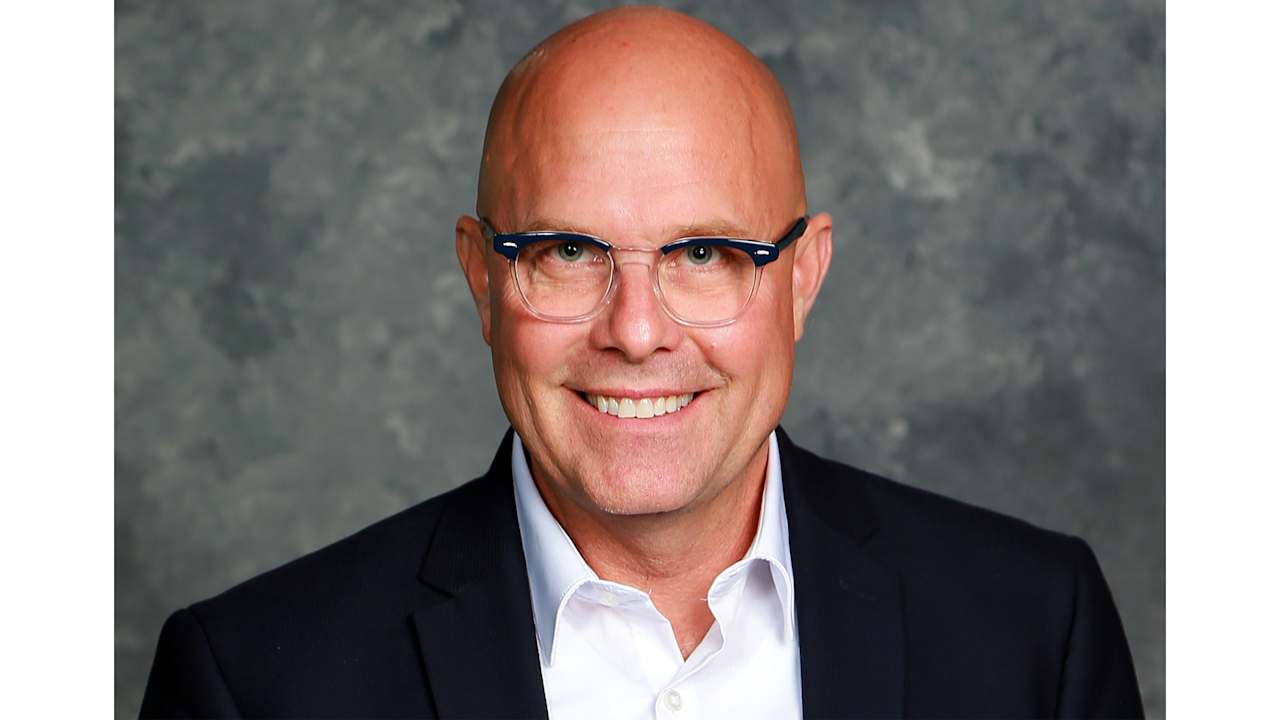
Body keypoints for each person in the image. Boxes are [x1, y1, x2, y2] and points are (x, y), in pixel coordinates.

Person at [140, 6, 1143, 719]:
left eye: (703, 254)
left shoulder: (1033, 632)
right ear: (481, 281)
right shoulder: (254, 684)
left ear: (802, 278)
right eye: (566, 252)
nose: (634, 331)